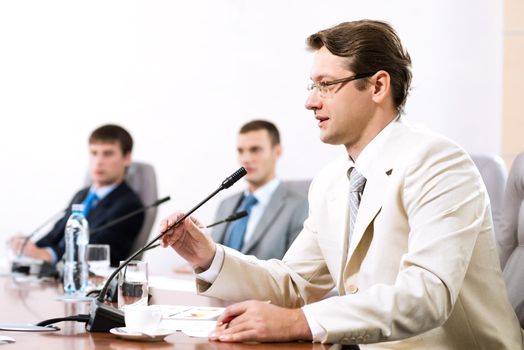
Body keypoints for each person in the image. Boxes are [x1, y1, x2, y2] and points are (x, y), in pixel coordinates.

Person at [160, 20, 523, 349]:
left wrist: (299, 321)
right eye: (312, 85)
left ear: (378, 86)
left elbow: (426, 296)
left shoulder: (439, 163)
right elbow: (292, 283)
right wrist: (206, 256)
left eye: (327, 85)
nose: (310, 101)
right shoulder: (333, 181)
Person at [10, 124, 144, 267]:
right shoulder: (82, 195)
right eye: (94, 153)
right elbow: (56, 234)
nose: (98, 161)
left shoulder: (129, 205)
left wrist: (49, 254)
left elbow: (97, 252)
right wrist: (27, 247)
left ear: (127, 158)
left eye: (108, 153)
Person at [211, 120, 308, 260]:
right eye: (240, 151)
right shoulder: (225, 204)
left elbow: (296, 271)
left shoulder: (300, 205)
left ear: (277, 152)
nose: (246, 159)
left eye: (255, 150)